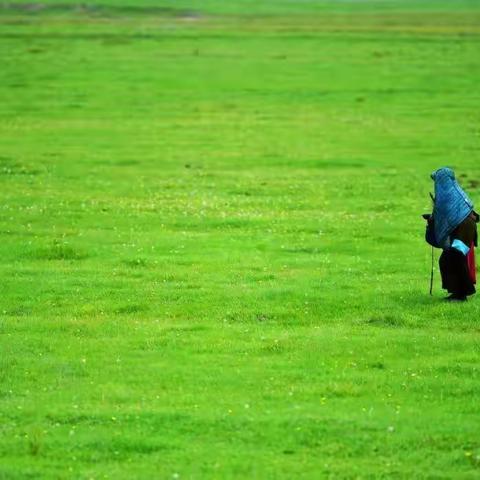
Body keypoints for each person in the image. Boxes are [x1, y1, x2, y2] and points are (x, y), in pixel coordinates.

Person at [430, 167, 478, 301]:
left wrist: (434, 219)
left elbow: (447, 215)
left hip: (464, 230)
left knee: (455, 258)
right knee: (447, 259)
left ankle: (462, 293)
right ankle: (456, 292)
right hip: (463, 228)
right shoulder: (456, 191)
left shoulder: (447, 194)